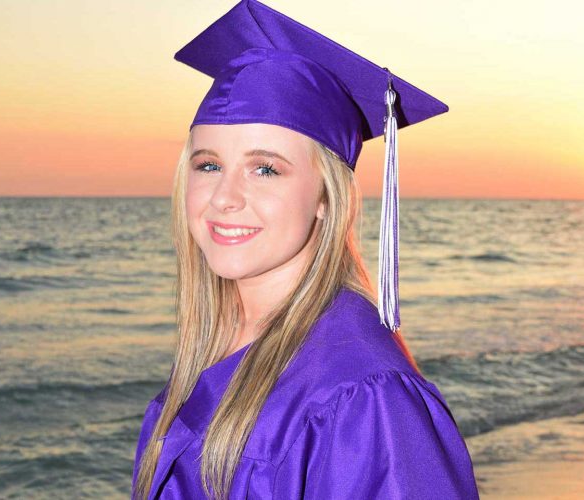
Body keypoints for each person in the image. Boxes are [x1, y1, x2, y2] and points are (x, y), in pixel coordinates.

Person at [132, 1, 480, 499]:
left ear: (324, 197)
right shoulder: (220, 342)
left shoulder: (364, 396)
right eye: (208, 165)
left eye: (265, 168)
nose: (224, 197)